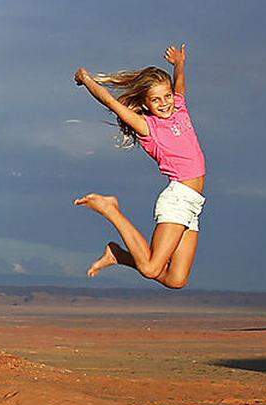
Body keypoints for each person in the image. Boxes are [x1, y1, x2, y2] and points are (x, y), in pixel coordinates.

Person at [72, 44, 205, 289]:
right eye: (156, 100)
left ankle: (119, 255)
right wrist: (86, 79)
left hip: (193, 203)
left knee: (176, 279)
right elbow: (110, 102)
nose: (165, 103)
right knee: (151, 268)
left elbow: (180, 85)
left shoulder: (179, 109)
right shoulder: (148, 127)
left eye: (166, 96)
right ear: (145, 103)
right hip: (178, 198)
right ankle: (110, 208)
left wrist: (179, 64)